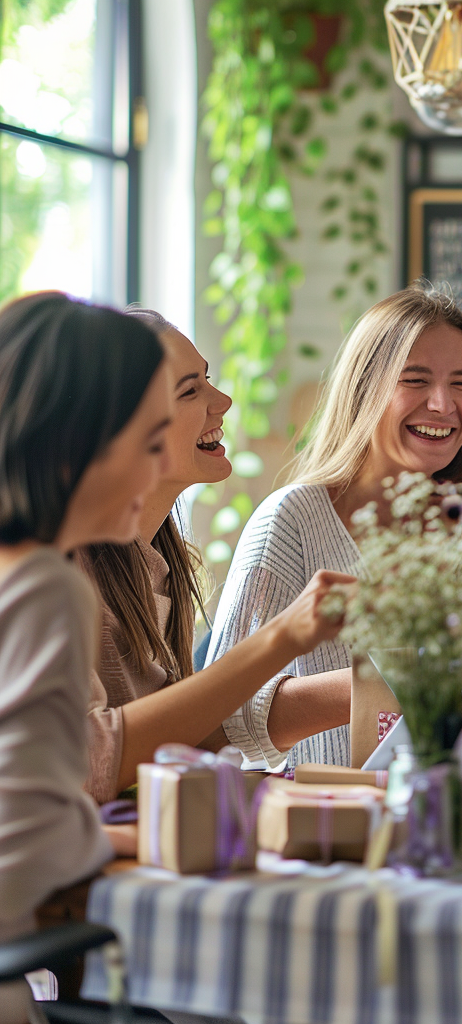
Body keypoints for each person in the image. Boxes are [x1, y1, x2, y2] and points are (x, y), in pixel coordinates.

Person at [207, 285, 462, 770]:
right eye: (415, 380)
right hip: (322, 826)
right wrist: (390, 682)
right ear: (365, 389)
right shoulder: (290, 521)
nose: (443, 404)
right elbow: (219, 726)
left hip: (456, 818)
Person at [79, 307, 355, 804]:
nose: (223, 400)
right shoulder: (63, 575)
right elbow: (89, 762)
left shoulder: (160, 562)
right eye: (190, 390)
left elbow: (181, 734)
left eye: (208, 379)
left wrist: (380, 686)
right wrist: (283, 637)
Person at [0, 292, 169, 1020]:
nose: (161, 466)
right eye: (150, 440)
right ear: (77, 441)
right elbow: (20, 846)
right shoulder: (47, 587)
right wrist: (121, 842)